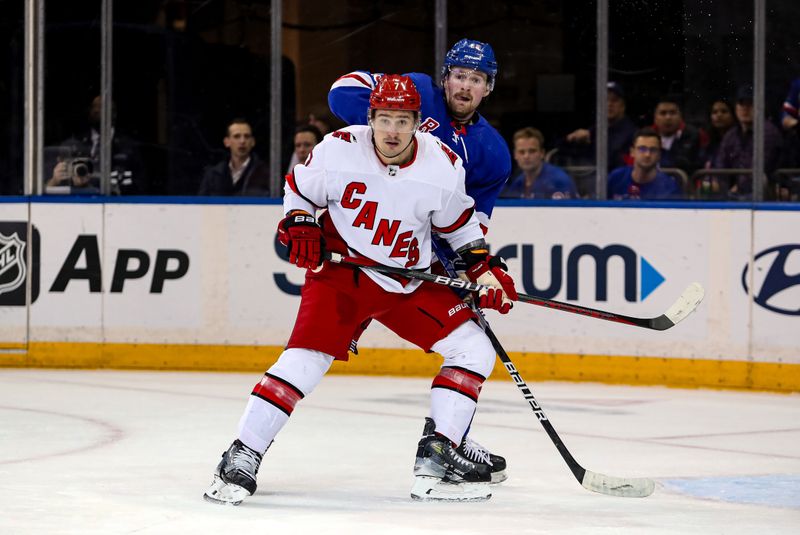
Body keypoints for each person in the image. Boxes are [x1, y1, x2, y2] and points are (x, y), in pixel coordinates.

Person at [203, 75, 518, 505]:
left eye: (402, 121)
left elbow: (460, 229)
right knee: (304, 363)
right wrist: (300, 221)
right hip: (342, 275)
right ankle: (243, 453)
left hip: (407, 281)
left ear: (418, 122)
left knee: (474, 349)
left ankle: (439, 457)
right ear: (370, 117)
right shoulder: (337, 149)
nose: (391, 131)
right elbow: (299, 191)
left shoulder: (441, 165)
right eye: (384, 119)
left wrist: (484, 269)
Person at [326, 38, 512, 482]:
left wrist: (477, 267)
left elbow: (475, 221)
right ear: (444, 77)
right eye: (460, 75)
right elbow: (340, 92)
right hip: (368, 234)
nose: (465, 86)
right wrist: (388, 123)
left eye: (477, 79)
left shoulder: (492, 152)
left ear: (488, 88)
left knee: (470, 340)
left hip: (424, 249)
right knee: (316, 349)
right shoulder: (415, 94)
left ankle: (450, 439)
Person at [45, 95, 145, 195]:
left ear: (114, 113)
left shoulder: (128, 147)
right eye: (94, 107)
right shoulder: (73, 144)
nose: (97, 110)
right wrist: (55, 181)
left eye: (102, 107)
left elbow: (140, 185)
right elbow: (46, 190)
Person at [715, 85, 783, 200]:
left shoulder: (768, 132)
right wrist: (724, 188)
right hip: (734, 195)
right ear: (736, 108)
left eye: (750, 104)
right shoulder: (731, 135)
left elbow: (759, 166)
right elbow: (720, 165)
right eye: (741, 104)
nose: (745, 109)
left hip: (763, 195)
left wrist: (737, 189)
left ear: (761, 107)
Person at [563, 81, 638, 172]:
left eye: (614, 100)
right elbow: (563, 151)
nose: (609, 104)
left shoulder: (631, 133)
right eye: (605, 100)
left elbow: (614, 164)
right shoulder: (597, 129)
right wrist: (571, 139)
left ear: (623, 106)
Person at [198, 118, 271, 196]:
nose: (242, 141)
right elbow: (201, 205)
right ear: (227, 142)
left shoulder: (266, 174)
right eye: (237, 136)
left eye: (247, 136)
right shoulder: (213, 175)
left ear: (252, 142)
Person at [501, 127, 578, 199]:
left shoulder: (559, 181)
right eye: (522, 152)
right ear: (515, 155)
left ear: (542, 153)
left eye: (532, 151)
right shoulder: (518, 182)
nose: (526, 156)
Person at [608, 127, 681, 200]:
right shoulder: (615, 178)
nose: (647, 154)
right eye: (642, 149)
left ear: (659, 154)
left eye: (653, 150)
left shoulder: (669, 187)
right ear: (632, 152)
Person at [650, 94, 702, 176]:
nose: (668, 117)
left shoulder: (692, 135)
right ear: (655, 118)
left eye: (672, 113)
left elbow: (688, 164)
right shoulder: (646, 136)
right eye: (663, 113)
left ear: (680, 116)